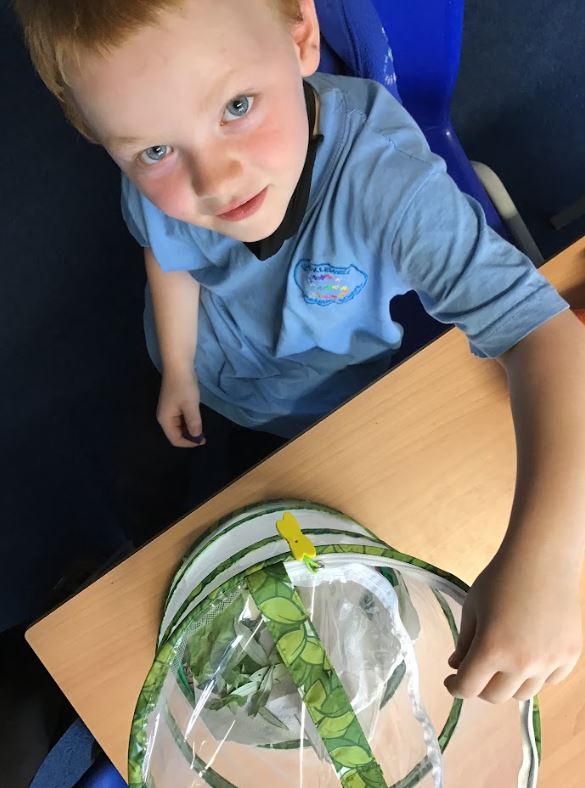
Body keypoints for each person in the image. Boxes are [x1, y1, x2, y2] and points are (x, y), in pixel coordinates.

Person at [14, 0, 585, 706]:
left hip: (321, 404)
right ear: (96, 130)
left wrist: (549, 562)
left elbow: (544, 335)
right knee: (159, 492)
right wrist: (180, 367)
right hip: (200, 371)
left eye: (237, 106)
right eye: (155, 152)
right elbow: (165, 253)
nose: (215, 182)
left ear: (300, 35)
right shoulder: (157, 157)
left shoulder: (385, 183)